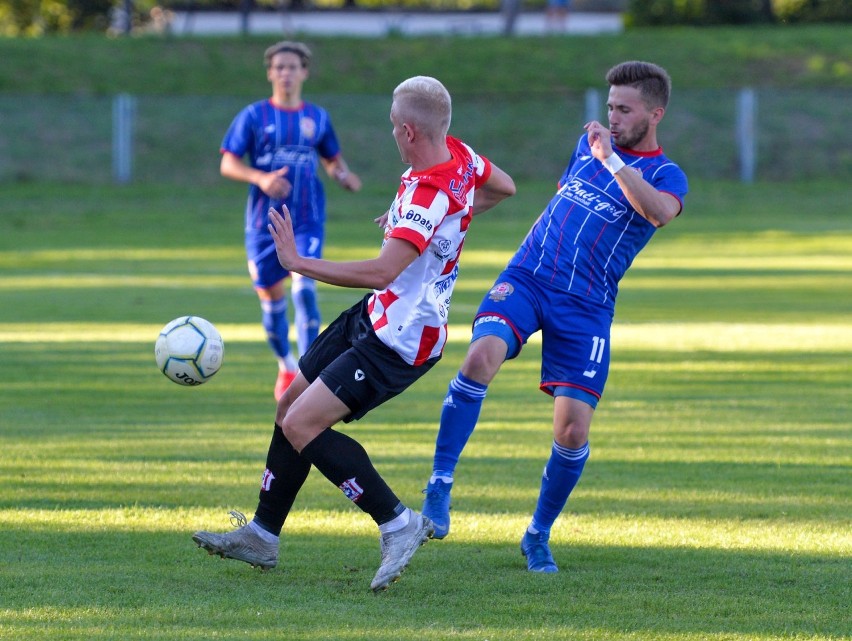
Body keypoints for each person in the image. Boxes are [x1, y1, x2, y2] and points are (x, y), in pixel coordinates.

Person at [193, 76, 516, 592]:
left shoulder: (428, 193)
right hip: (373, 315)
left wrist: (299, 262)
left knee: (302, 425)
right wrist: (443, 226)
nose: (392, 133)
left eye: (393, 126)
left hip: (401, 340)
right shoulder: (459, 155)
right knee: (288, 409)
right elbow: (504, 187)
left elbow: (381, 271)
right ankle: (262, 535)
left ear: (409, 131)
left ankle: (398, 522)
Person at [421, 60, 689, 573]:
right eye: (609, 107)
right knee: (480, 356)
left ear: (655, 113)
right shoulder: (585, 147)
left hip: (587, 306)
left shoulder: (665, 174)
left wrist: (611, 161)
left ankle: (537, 535)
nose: (612, 117)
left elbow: (656, 211)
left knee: (571, 433)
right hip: (529, 277)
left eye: (625, 109)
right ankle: (439, 485)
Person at [220, 40, 362, 401]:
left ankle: (307, 371)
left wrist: (342, 175)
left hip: (306, 219)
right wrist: (261, 178)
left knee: (305, 287)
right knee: (272, 298)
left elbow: (332, 159)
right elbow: (228, 163)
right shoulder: (253, 116)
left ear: (304, 72)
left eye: (292, 66)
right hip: (263, 224)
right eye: (279, 67)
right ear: (270, 73)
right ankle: (285, 365)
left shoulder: (317, 117)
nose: (286, 73)